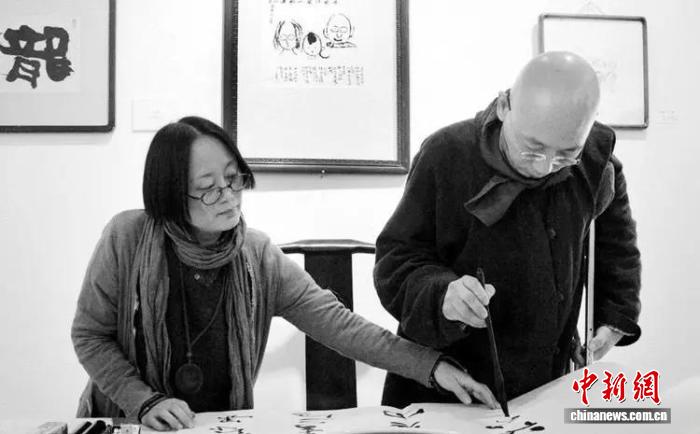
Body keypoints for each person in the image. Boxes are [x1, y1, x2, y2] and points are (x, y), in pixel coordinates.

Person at [71, 116, 499, 431]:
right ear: (168, 195)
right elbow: (90, 335)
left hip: (217, 424)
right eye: (208, 188)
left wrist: (433, 367)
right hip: (127, 420)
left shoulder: (257, 256)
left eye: (233, 178)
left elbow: (341, 326)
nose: (229, 196)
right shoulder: (127, 238)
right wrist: (143, 401)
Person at [373, 51, 642, 408]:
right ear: (504, 106)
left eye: (566, 154)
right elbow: (395, 261)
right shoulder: (446, 154)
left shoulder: (597, 162)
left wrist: (614, 318)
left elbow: (617, 249)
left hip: (546, 377)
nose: (545, 167)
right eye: (533, 149)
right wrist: (442, 295)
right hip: (448, 381)